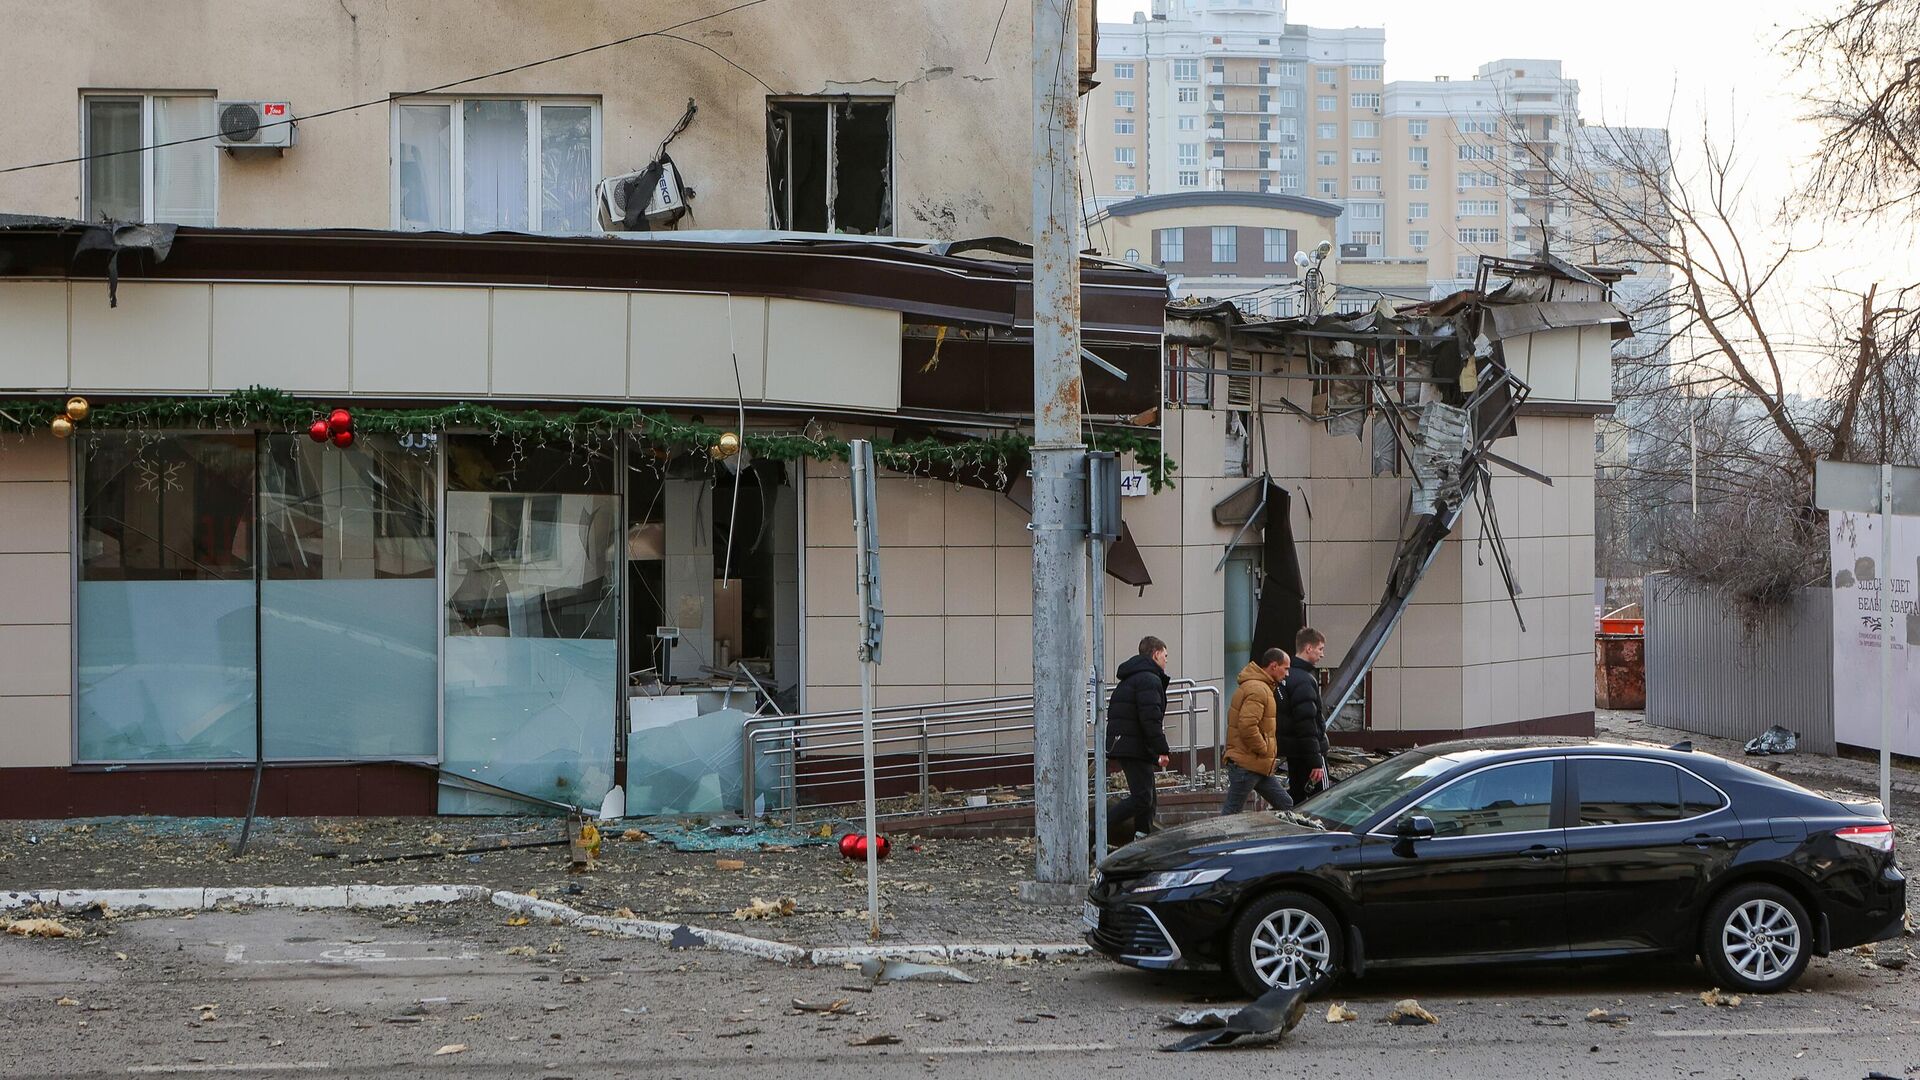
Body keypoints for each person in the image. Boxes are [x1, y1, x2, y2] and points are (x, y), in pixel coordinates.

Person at [1107, 636, 1172, 839]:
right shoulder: (1149, 679)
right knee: (1143, 797)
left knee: (1148, 797)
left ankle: (1143, 837)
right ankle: (1095, 829)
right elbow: (1150, 719)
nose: (1166, 660)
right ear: (1155, 654)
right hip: (1132, 744)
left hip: (1129, 742)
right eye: (1165, 655)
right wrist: (1162, 749)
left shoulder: (1134, 677)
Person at [1222, 647, 1293, 814]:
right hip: (1248, 763)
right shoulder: (1258, 690)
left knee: (1286, 804)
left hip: (1256, 764)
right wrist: (1263, 748)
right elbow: (1247, 726)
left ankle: (1271, 837)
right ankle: (1216, 840)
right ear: (1274, 666)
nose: (1287, 674)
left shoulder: (1260, 687)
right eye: (1286, 668)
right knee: (1230, 814)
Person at [1279, 627, 1331, 805]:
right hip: (1309, 753)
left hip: (1293, 751)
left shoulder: (1285, 676)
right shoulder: (1304, 680)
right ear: (1308, 648)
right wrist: (1316, 760)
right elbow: (1307, 724)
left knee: (1298, 796)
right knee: (1323, 800)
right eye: (1320, 649)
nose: (1322, 654)